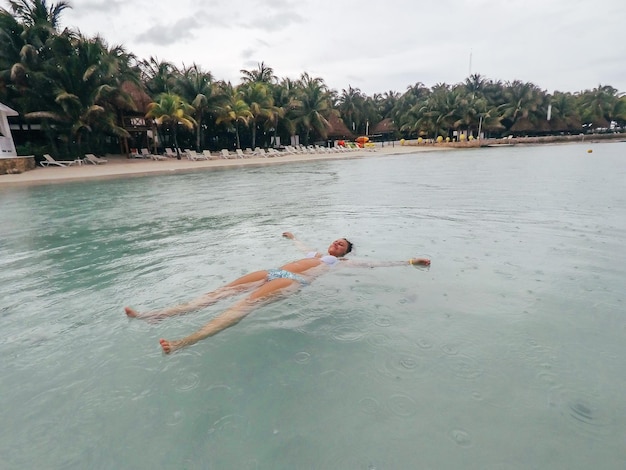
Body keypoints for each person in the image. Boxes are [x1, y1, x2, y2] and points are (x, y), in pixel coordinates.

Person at [125, 232, 430, 354]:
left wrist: (409, 261)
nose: (337, 244)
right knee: (219, 293)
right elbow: (299, 247)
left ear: (346, 252)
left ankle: (181, 343)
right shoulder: (314, 251)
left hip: (293, 281)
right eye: (336, 241)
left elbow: (373, 265)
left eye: (342, 245)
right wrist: (292, 236)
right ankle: (156, 315)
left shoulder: (340, 263)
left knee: (241, 306)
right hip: (274, 271)